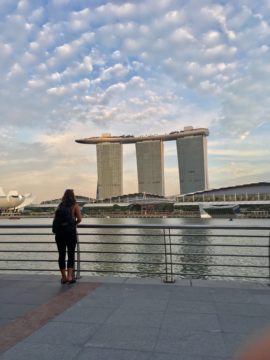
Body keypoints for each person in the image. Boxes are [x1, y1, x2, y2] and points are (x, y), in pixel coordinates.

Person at [53, 189, 82, 284]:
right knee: (71, 254)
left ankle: (64, 277)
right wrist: (74, 223)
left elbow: (56, 219)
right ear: (73, 196)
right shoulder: (75, 205)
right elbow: (80, 219)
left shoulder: (60, 206)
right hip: (70, 233)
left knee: (61, 255)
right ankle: (70, 277)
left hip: (60, 234)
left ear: (64, 196)